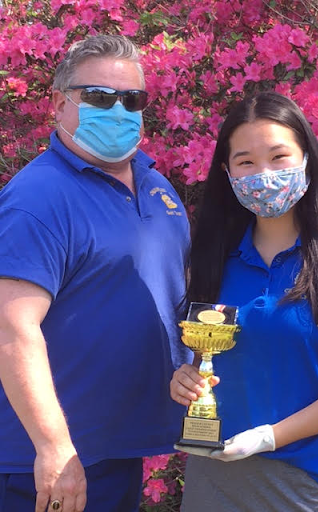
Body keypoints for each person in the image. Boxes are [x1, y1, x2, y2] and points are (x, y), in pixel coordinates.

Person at [0, 35, 192, 512]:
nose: (120, 111)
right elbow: (11, 328)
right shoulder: (38, 198)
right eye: (100, 98)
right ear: (59, 104)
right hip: (50, 461)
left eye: (132, 99)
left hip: (117, 447)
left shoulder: (157, 186)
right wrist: (52, 447)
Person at [170, 91, 318, 511]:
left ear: (306, 159)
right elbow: (209, 360)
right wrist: (186, 378)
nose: (262, 174)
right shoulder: (213, 259)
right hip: (210, 477)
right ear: (228, 173)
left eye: (278, 157)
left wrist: (270, 436)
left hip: (301, 484)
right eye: (246, 161)